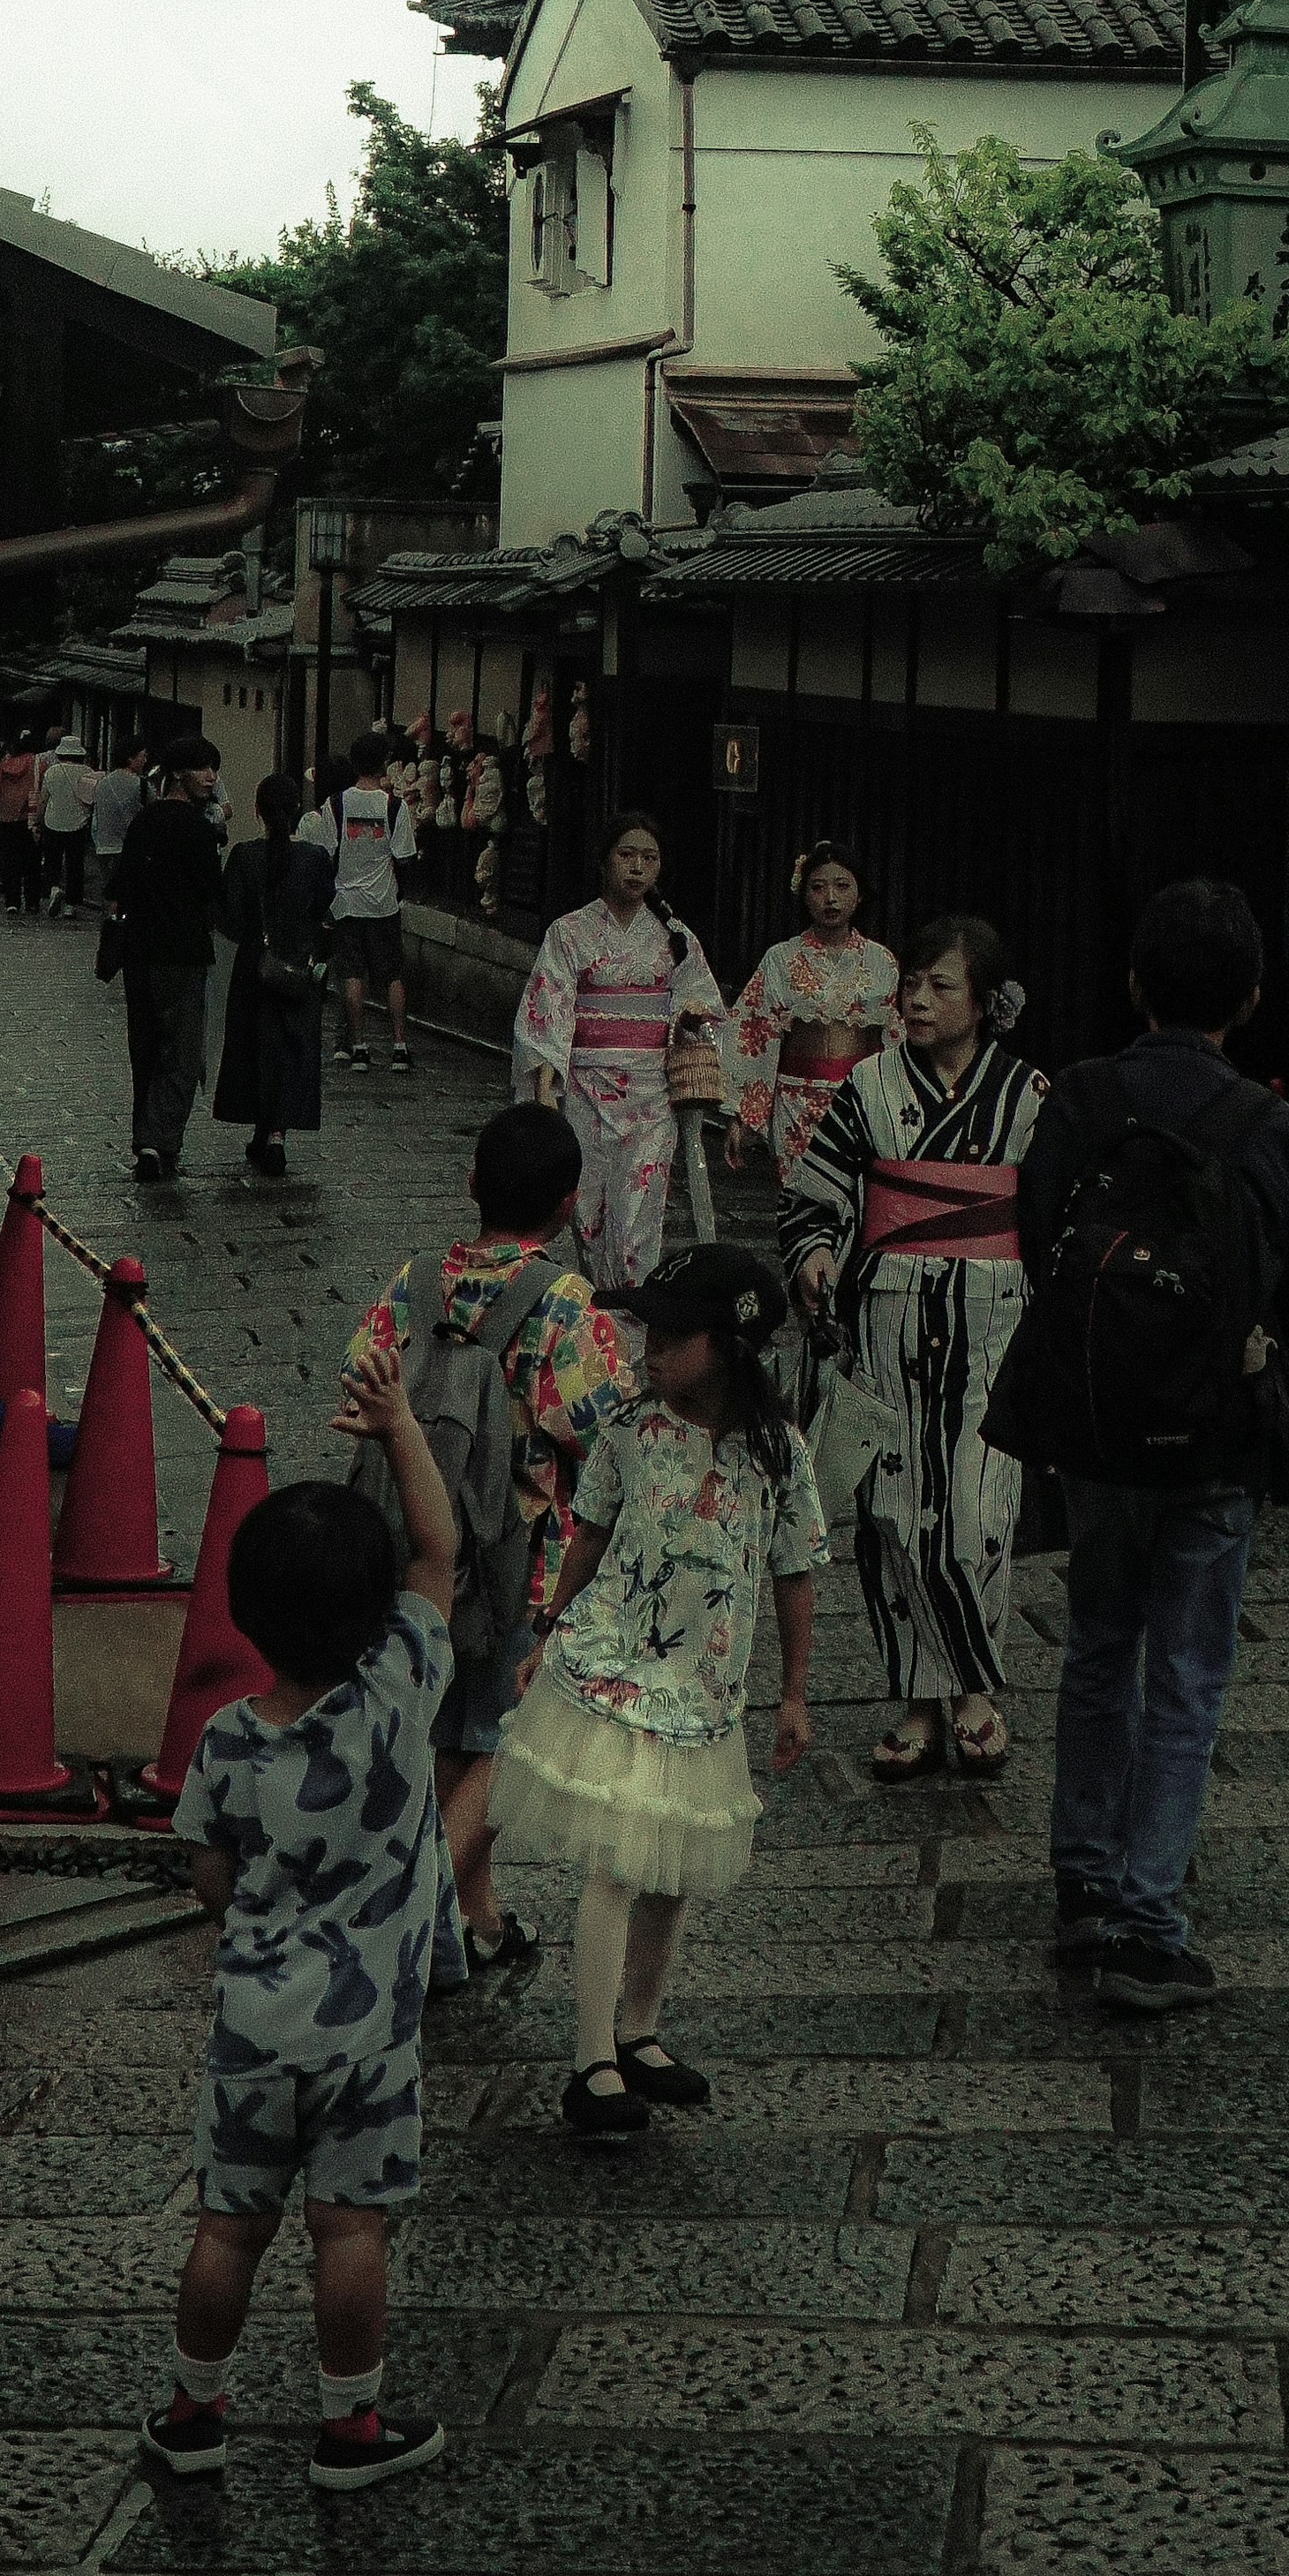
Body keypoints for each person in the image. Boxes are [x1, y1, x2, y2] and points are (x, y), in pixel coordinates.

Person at [987, 875, 1289, 2019]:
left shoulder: (1079, 1097)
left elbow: (1038, 1239)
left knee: (1097, 1641)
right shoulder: (1269, 1125)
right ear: (1250, 995)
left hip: (1094, 1426)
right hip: (1218, 1437)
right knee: (1188, 1670)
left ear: (1133, 986)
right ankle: (1147, 1920)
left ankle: (1082, 1876)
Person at [141, 1356, 460, 2494]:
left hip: (251, 2027)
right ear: (376, 1615)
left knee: (229, 2228)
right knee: (348, 2228)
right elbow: (439, 1551)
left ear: (245, 1612)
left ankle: (193, 2410)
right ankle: (350, 2430)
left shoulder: (227, 1741)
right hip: (368, 2030)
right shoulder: (399, 1690)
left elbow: (209, 1879)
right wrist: (399, 1425)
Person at [486, 1236, 822, 2137]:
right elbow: (588, 1533)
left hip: (703, 1686)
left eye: (670, 1338)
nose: (649, 1353)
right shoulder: (633, 1431)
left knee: (669, 1862)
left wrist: (793, 1691)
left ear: (728, 1344)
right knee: (618, 1860)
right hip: (616, 1670)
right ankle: (592, 2056)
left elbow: (796, 1572)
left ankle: (639, 2029)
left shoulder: (777, 1454)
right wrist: (549, 1624)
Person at [351, 1097, 630, 1977]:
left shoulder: (416, 1279)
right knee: (514, 1745)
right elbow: (606, 1430)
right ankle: (415, 1903)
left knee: (447, 1734)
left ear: (471, 1184)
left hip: (418, 1550)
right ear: (569, 1205)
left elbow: (363, 1374)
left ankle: (479, 1917)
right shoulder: (564, 1301)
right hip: (526, 1561)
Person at [782, 908, 1043, 1783]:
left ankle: (968, 1690)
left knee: (975, 1510)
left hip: (992, 1323)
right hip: (885, 1323)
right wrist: (817, 1250)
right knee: (892, 1515)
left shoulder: (1028, 1097)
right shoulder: (868, 1087)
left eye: (942, 986)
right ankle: (925, 1702)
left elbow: (1051, 1219)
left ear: (988, 1001)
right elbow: (818, 1191)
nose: (920, 1001)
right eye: (913, 985)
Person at [513, 812, 727, 1294]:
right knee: (586, 1215)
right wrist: (546, 1091)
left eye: (649, 858)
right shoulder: (569, 932)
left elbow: (706, 1006)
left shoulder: (675, 937)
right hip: (585, 1091)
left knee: (638, 1219)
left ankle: (629, 1329)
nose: (637, 867)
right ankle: (602, 1315)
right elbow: (550, 1008)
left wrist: (690, 1015)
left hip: (651, 1097)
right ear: (604, 861)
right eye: (626, 855)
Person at [727, 840, 898, 1201]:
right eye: (818, 887)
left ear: (860, 894)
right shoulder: (781, 959)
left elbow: (897, 1040)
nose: (830, 898)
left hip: (862, 1100)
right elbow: (755, 1032)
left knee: (861, 1204)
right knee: (801, 1206)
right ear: (803, 895)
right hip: (796, 1102)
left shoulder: (883, 962)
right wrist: (746, 1113)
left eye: (842, 886)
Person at [114, 741, 225, 1184]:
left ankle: (144, 1137)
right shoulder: (199, 831)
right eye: (203, 769)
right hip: (182, 954)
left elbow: (122, 885)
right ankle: (162, 1140)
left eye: (214, 769)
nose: (212, 777)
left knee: (144, 1044)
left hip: (140, 951)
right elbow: (213, 895)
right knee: (180, 1051)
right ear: (179, 774)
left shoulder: (144, 822)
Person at [215, 772, 330, 1182]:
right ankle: (276, 1133)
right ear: (297, 810)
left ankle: (263, 1128)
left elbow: (226, 917)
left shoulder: (244, 857)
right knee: (291, 1049)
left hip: (255, 967)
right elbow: (324, 913)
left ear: (257, 811)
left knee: (255, 1048)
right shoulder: (315, 858)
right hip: (299, 968)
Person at [324, 728, 417, 1075]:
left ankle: (359, 1047)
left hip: (347, 902)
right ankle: (399, 1047)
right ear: (384, 765)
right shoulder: (394, 806)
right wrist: (397, 890)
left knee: (352, 973)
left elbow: (326, 853)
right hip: (383, 902)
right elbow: (405, 857)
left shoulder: (335, 804)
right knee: (393, 974)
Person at [34, 729, 98, 917]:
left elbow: (43, 799)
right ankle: (71, 905)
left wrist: (37, 821)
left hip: (53, 821)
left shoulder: (52, 771)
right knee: (75, 865)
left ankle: (54, 889)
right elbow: (91, 800)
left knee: (52, 861)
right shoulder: (88, 773)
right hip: (78, 824)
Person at [87, 739, 147, 913]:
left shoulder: (102, 784)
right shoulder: (140, 785)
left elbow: (96, 816)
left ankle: (112, 922)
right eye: (142, 756)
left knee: (110, 891)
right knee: (131, 890)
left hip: (104, 846)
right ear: (130, 758)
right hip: (130, 846)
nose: (145, 760)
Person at [0, 731, 39, 911]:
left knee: (11, 859)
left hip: (6, 815)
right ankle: (32, 902)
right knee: (32, 860)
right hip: (29, 815)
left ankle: (12, 902)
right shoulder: (35, 761)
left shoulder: (5, 762)